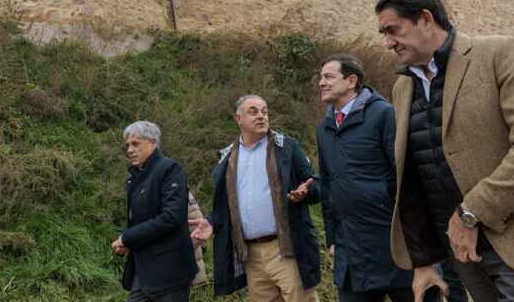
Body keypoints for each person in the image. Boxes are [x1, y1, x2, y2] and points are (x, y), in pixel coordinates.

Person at [374, 0, 514, 302]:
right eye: (384, 34)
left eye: (393, 30)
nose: (388, 42)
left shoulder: (499, 53)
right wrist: (423, 259)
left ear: (425, 19)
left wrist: (470, 214)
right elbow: (416, 177)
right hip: (467, 257)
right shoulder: (402, 87)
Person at [188, 95, 321, 301]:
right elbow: (229, 203)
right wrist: (212, 221)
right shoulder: (229, 157)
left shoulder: (286, 146)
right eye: (254, 111)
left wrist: (306, 191)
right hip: (250, 255)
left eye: (264, 111)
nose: (261, 116)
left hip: (286, 249)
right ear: (238, 119)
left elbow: (315, 183)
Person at [316, 54, 414, 302]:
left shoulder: (384, 115)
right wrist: (333, 238)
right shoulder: (324, 128)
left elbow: (406, 175)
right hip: (351, 251)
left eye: (328, 76)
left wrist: (415, 235)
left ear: (351, 81)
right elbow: (328, 185)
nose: (321, 83)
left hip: (394, 245)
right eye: (320, 78)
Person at [112, 121, 198, 302]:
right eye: (128, 145)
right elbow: (140, 218)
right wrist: (127, 240)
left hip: (170, 271)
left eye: (135, 144)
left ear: (153, 143)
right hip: (144, 271)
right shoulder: (137, 176)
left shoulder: (170, 169)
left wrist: (128, 237)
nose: (129, 150)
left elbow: (170, 218)